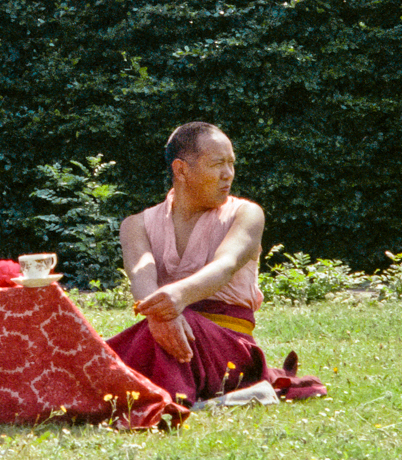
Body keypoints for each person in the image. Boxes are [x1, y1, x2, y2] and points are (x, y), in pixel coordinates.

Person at [106, 122, 325, 406]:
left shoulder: (246, 214)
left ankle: (165, 402)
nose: (228, 174)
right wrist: (163, 313)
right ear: (181, 170)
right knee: (93, 351)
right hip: (162, 331)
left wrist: (177, 297)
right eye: (218, 164)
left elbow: (225, 265)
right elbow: (142, 279)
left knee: (169, 335)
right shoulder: (135, 225)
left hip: (229, 345)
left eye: (231, 163)